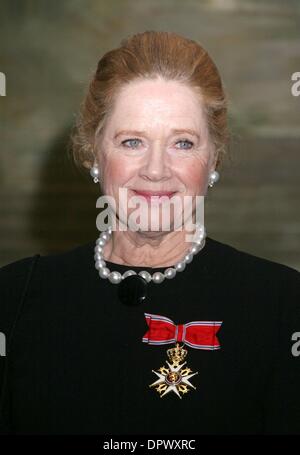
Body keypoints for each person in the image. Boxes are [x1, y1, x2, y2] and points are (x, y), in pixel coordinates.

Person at [0, 30, 299, 435]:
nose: (156, 169)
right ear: (94, 151)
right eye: (132, 141)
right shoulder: (14, 297)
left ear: (213, 157)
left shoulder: (282, 306)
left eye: (182, 143)